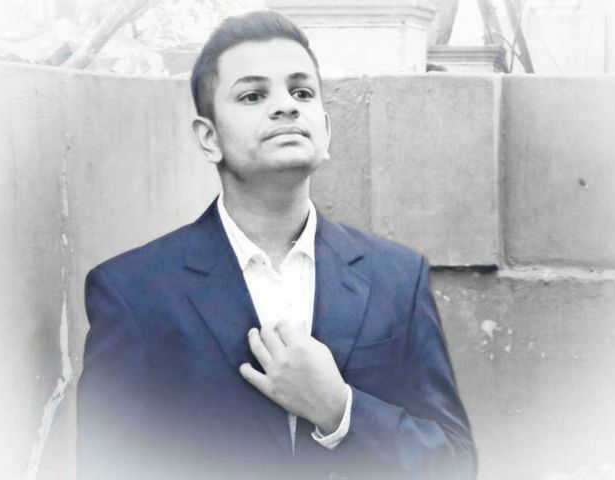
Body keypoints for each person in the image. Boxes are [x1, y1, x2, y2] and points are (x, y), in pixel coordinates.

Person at [78, 10, 476, 480]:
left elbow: (454, 464)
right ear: (209, 138)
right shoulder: (133, 292)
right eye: (253, 95)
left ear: (325, 130)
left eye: (302, 92)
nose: (286, 106)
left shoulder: (398, 278)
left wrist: (340, 411)